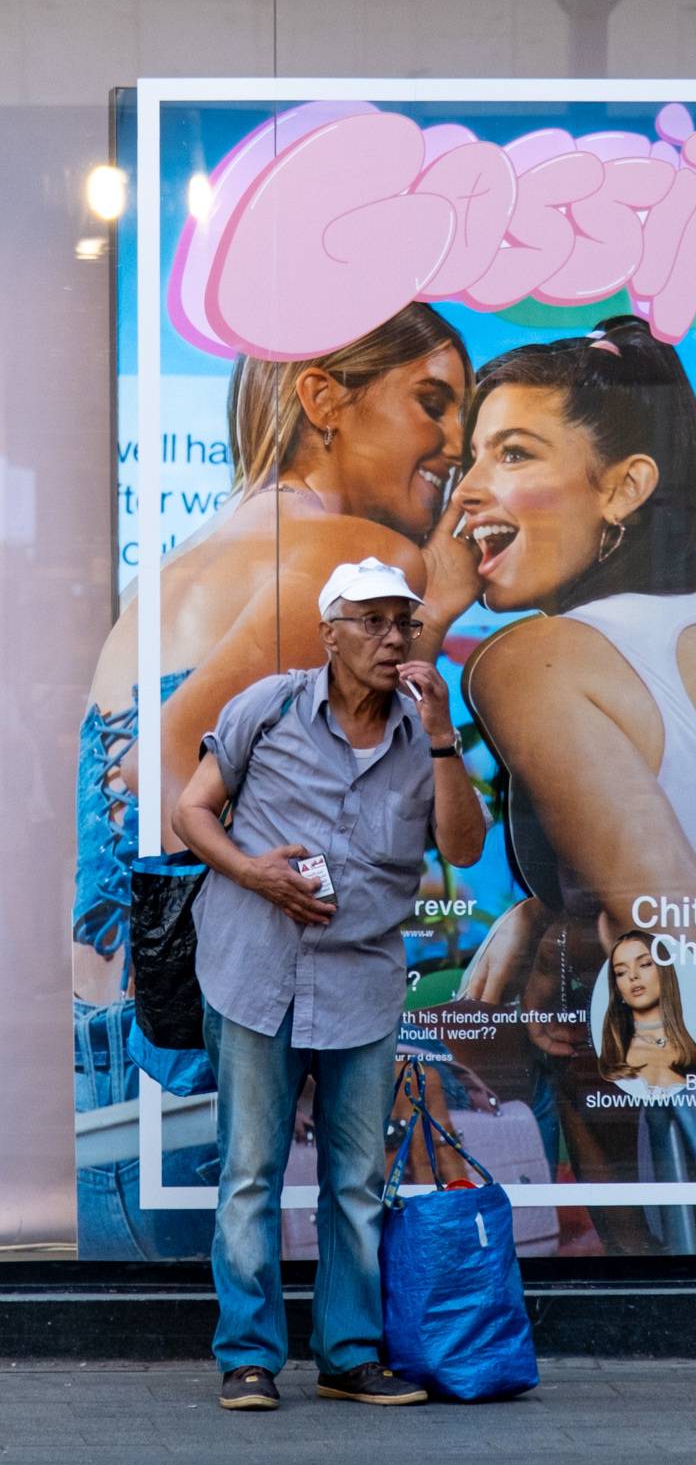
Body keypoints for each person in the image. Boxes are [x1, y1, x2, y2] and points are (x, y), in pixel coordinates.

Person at [72, 303, 478, 1258]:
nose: (458, 442)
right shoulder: (347, 556)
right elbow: (161, 780)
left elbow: (132, 790)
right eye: (432, 402)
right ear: (322, 400)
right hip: (202, 1052)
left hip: (116, 1059)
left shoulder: (188, 563)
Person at [453, 315, 696, 1250]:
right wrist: (540, 918)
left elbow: (680, 932)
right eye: (471, 457)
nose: (465, 490)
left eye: (514, 453)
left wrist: (559, 959)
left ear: (625, 488)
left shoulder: (535, 657)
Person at [172, 556, 486, 1410]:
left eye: (403, 623)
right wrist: (252, 872)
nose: (392, 638)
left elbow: (463, 847)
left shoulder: (423, 734)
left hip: (361, 986)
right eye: (372, 621)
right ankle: (247, 1358)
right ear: (330, 634)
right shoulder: (269, 708)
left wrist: (444, 733)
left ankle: (349, 1356)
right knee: (250, 1173)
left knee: (356, 1180)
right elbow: (190, 810)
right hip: (255, 973)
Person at [599, 931, 696, 1091]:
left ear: (665, 972)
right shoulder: (614, 1056)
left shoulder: (694, 1053)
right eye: (621, 972)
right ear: (617, 988)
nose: (633, 976)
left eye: (645, 964)